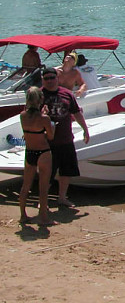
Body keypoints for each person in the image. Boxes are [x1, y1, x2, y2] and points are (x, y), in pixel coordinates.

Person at [41, 66, 89, 207]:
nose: (50, 81)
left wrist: (85, 129)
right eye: (47, 78)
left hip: (66, 139)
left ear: (57, 78)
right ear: (43, 80)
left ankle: (62, 198)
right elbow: (29, 116)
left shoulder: (67, 94)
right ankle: (43, 200)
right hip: (47, 142)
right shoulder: (38, 95)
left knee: (66, 170)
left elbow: (76, 113)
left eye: (52, 77)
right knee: (47, 173)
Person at [19, 87, 55, 225]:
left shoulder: (22, 115)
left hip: (30, 152)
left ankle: (23, 215)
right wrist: (48, 119)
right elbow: (50, 136)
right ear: (41, 99)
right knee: (43, 187)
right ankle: (44, 218)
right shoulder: (44, 118)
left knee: (25, 186)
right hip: (43, 152)